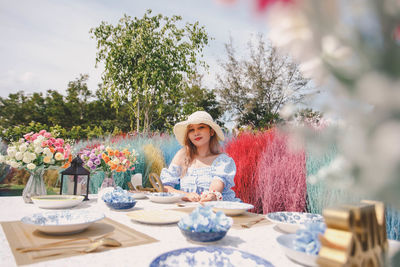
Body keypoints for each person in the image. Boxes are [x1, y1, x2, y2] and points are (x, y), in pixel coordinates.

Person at [160, 111, 238, 202]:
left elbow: (217, 185)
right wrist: (185, 195)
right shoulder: (182, 156)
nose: (196, 133)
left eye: (201, 127)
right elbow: (165, 187)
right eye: (191, 130)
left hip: (219, 211)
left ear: (211, 132)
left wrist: (212, 195)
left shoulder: (223, 161)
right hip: (188, 210)